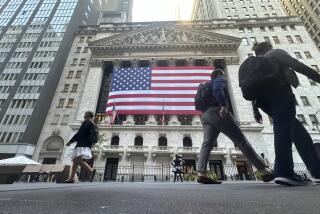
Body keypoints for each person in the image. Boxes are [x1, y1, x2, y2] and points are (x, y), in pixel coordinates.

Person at [251, 42, 320, 186]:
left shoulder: (255, 63)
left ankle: (316, 171)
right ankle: (284, 172)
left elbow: (252, 87)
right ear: (268, 48)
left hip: (263, 102)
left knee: (296, 131)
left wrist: (255, 110)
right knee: (283, 130)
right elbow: (299, 66)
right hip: (279, 93)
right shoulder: (274, 53)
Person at [197, 69, 273, 184]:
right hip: (218, 112)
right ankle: (264, 170)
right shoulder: (219, 80)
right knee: (240, 140)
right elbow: (218, 90)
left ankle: (202, 173)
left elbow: (197, 102)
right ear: (218, 74)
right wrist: (223, 105)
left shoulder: (204, 85)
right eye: (223, 74)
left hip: (205, 116)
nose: (225, 76)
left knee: (206, 144)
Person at [63, 111, 97, 183]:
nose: (84, 115)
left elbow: (80, 133)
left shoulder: (87, 122)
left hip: (82, 144)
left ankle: (91, 170)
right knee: (75, 161)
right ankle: (71, 178)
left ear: (88, 115)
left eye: (85, 114)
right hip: (86, 144)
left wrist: (71, 141)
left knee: (77, 160)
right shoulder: (92, 123)